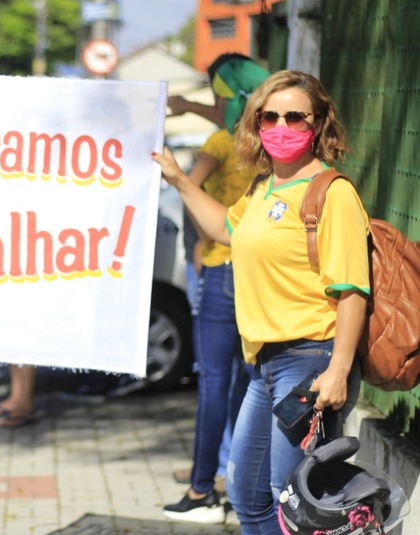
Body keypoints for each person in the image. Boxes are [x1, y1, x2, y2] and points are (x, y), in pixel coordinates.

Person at [153, 70, 368, 534]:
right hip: (264, 364)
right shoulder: (262, 186)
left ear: (319, 123)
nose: (281, 126)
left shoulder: (332, 193)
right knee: (247, 495)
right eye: (270, 116)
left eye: (295, 116)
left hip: (309, 359)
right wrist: (178, 180)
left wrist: (339, 369)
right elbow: (225, 231)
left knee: (288, 500)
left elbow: (352, 289)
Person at [162, 54, 268, 523]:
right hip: (262, 276)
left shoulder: (222, 141)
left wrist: (202, 239)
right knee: (252, 385)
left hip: (223, 271)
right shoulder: (269, 146)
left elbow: (190, 186)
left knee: (213, 383)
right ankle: (244, 483)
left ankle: (202, 490)